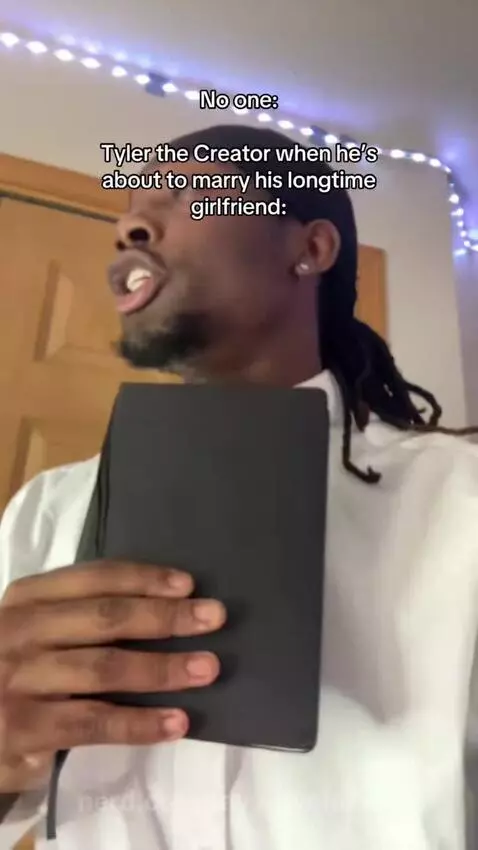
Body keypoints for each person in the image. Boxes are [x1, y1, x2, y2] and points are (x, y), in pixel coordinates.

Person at [1, 123, 478, 850]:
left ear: (310, 248)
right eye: (130, 207)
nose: (130, 226)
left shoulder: (462, 500)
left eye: (190, 192)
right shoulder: (46, 508)